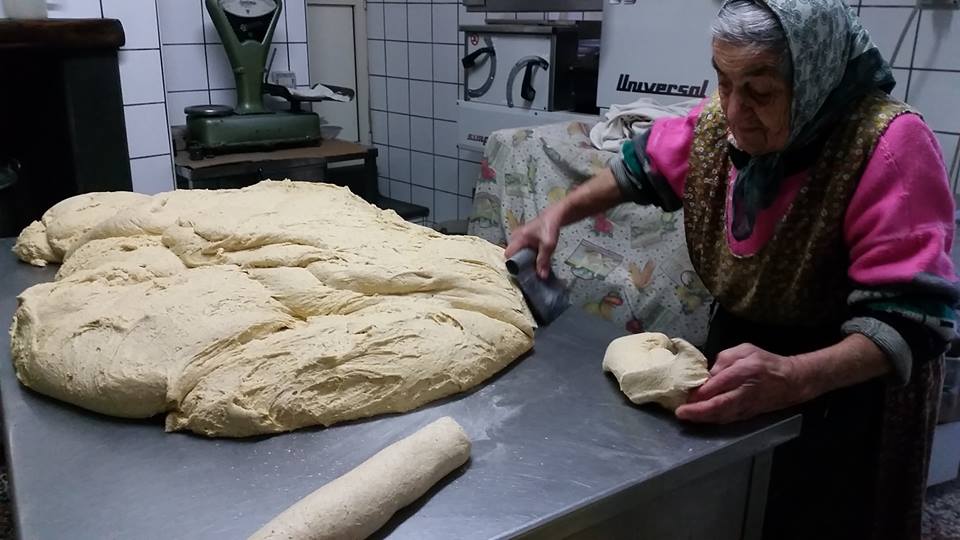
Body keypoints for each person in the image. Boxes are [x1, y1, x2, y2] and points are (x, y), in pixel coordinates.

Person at [505, 1, 958, 538]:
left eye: (760, 92)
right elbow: (639, 167)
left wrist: (793, 376)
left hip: (850, 379)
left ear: (813, 74)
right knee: (739, 510)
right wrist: (556, 213)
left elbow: (913, 321)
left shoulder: (887, 147)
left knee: (822, 520)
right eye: (723, 81)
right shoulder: (722, 124)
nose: (735, 110)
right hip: (745, 353)